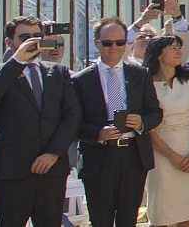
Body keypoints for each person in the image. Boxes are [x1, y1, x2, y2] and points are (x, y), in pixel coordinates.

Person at [0, 16, 81, 227]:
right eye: (24, 37)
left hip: (51, 170)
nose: (32, 41)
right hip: (11, 171)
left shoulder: (57, 72)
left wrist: (53, 152)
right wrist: (17, 61)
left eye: (36, 36)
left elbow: (72, 115)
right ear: (10, 42)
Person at [70, 18, 163, 227]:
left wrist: (141, 122)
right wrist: (98, 134)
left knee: (128, 219)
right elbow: (73, 124)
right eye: (107, 43)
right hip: (99, 156)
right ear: (96, 43)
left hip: (133, 156)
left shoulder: (140, 74)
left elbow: (155, 113)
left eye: (120, 43)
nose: (114, 48)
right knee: (101, 219)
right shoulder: (80, 80)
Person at [142, 35, 189, 227]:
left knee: (187, 212)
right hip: (161, 155)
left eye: (178, 47)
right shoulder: (147, 84)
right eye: (172, 48)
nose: (178, 51)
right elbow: (149, 128)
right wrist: (172, 156)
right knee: (163, 212)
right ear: (158, 54)